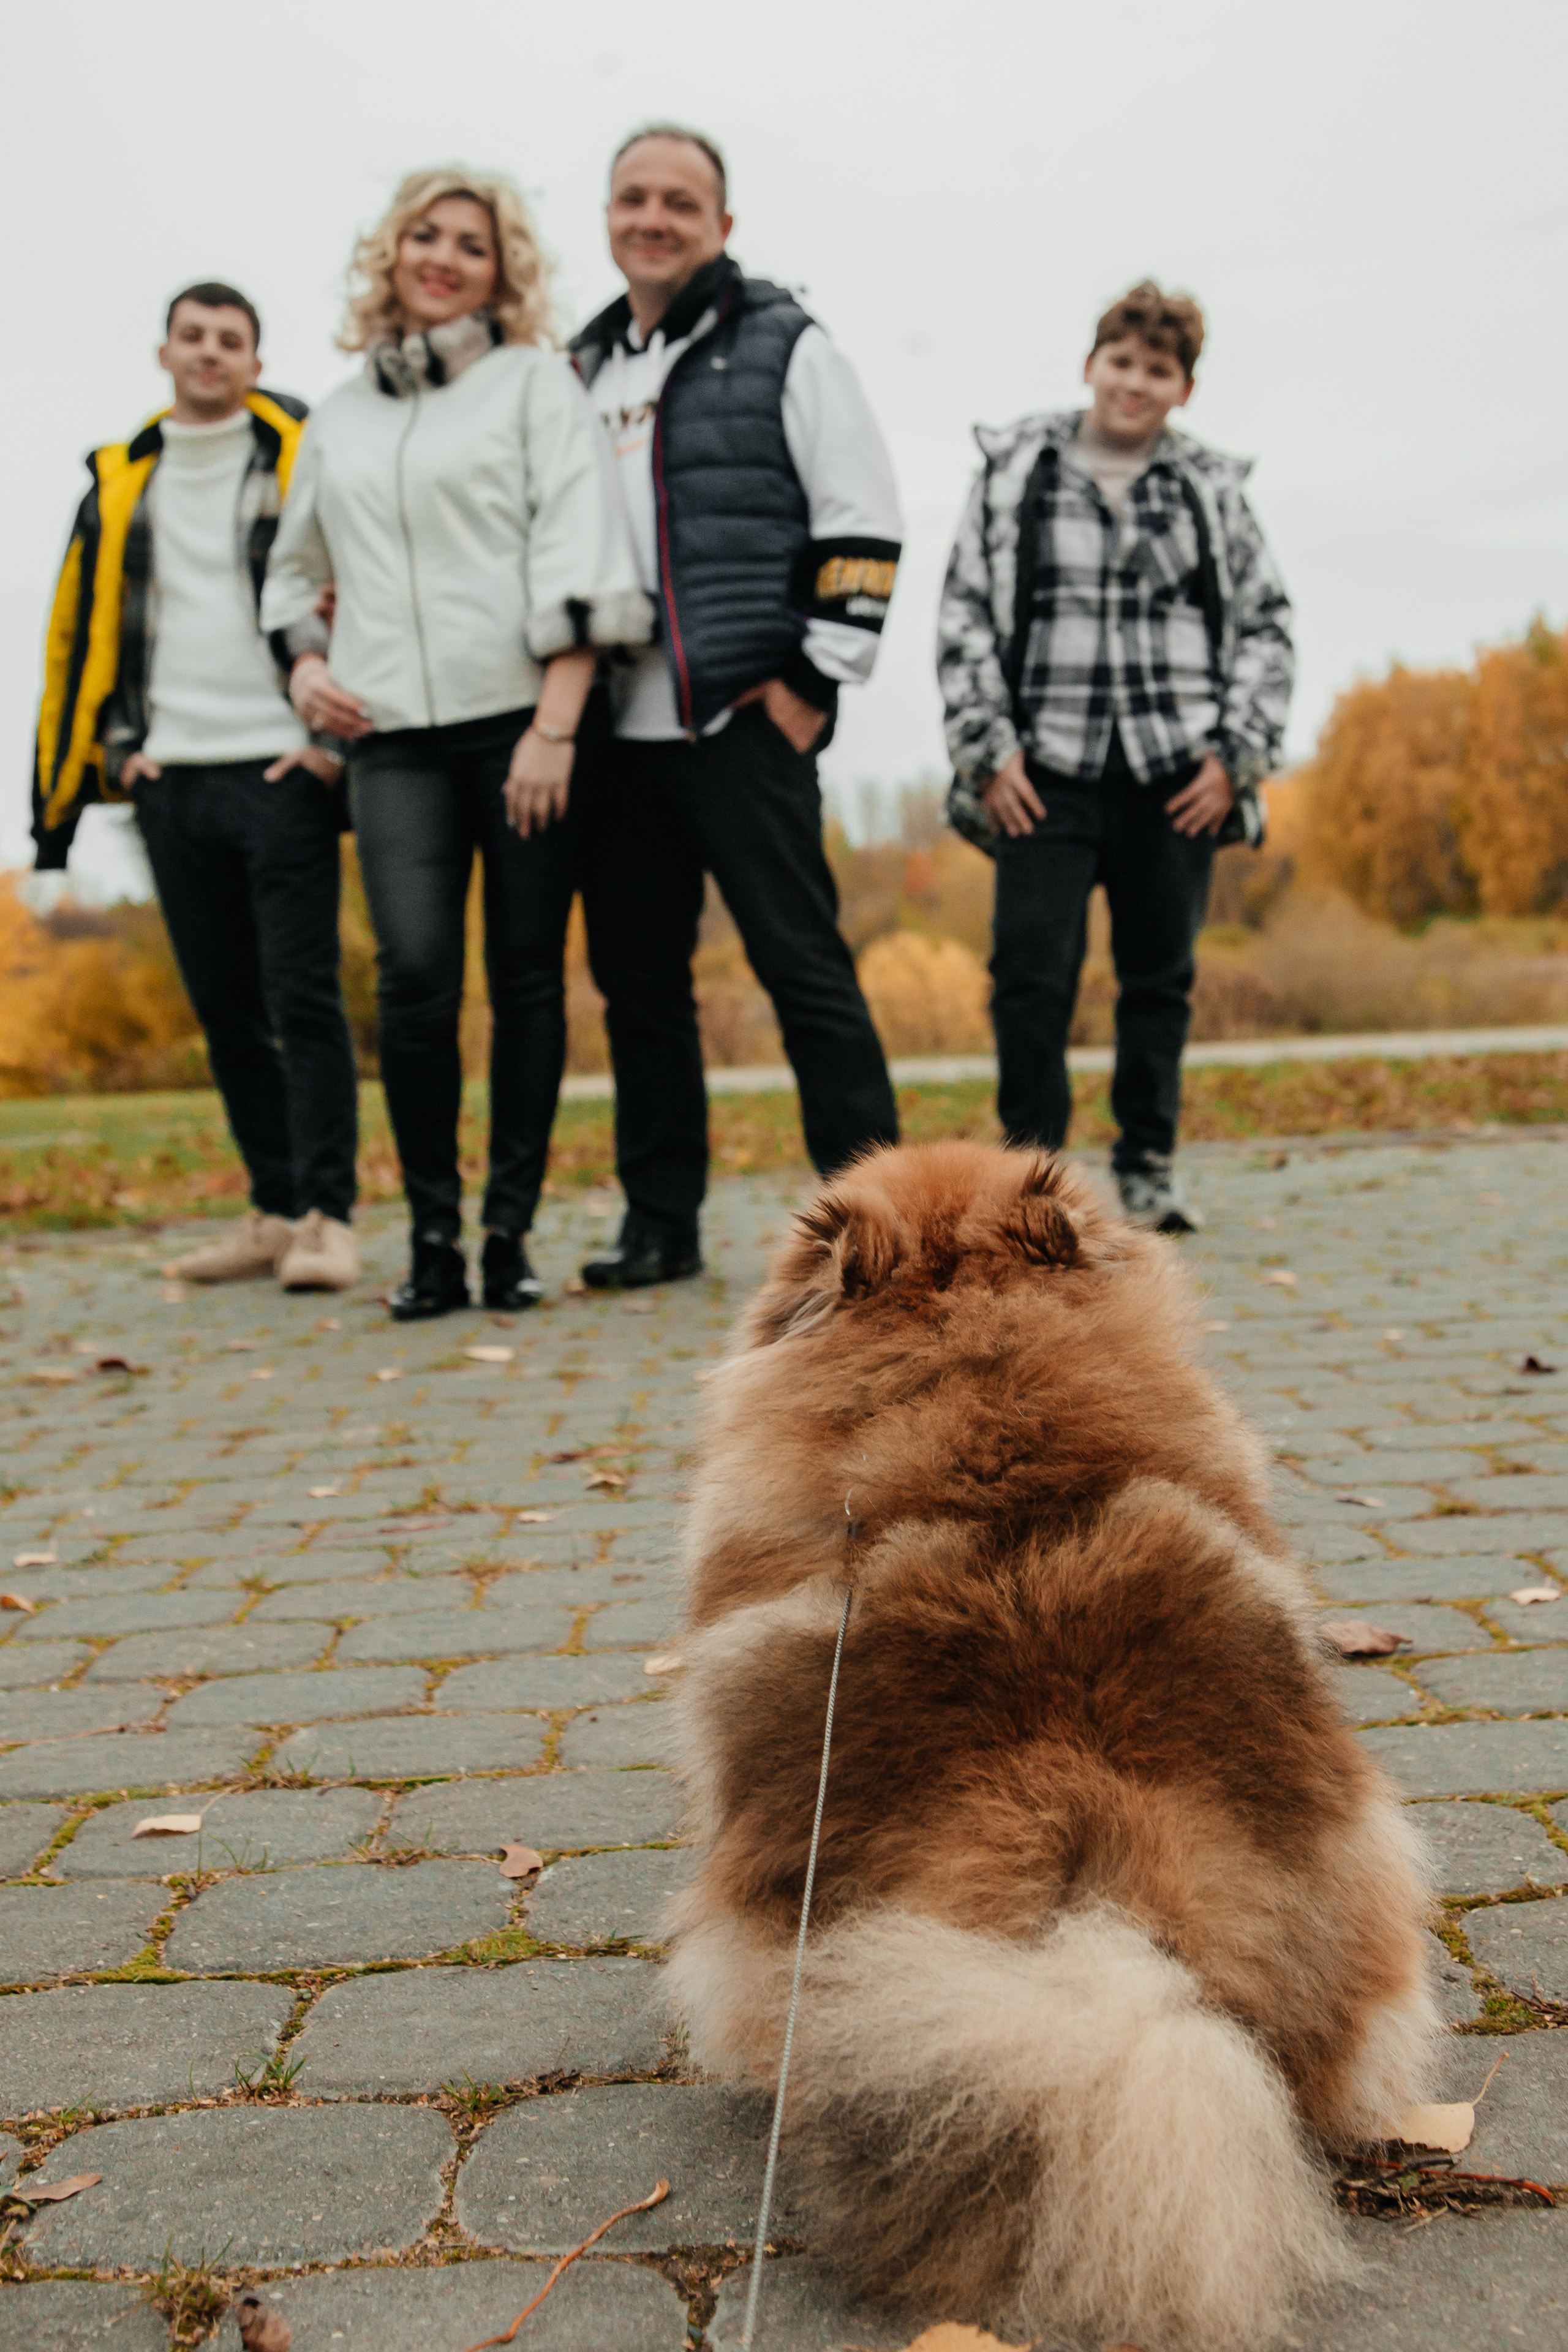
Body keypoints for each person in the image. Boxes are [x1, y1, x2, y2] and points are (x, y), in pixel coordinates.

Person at [262, 169, 649, 1321]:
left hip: (523, 727)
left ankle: (506, 1237)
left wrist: (555, 725)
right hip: (392, 741)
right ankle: (432, 1241)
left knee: (526, 978)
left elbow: (582, 553)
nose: (442, 257)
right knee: (416, 976)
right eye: (424, 236)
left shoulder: (535, 384)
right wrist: (306, 668)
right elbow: (291, 573)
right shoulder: (340, 415)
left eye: (471, 245)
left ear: (501, 271)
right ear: (391, 254)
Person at [570, 125, 905, 1289]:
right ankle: (659, 1225)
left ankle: (881, 1234)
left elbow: (863, 515)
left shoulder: (784, 345)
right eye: (633, 198)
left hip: (743, 722)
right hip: (616, 735)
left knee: (803, 971)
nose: (653, 218)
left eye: (680, 201)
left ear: (721, 224)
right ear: (608, 217)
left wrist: (815, 680)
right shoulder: (579, 369)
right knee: (639, 989)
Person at [940, 280, 1294, 1233]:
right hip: (1040, 772)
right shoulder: (1016, 472)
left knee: (1159, 979)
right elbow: (963, 611)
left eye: (1159, 370)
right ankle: (1032, 1182)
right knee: (1030, 977)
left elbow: (1267, 623)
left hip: (1176, 775)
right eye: (1122, 362)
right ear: (1090, 365)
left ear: (1185, 389)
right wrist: (987, 752)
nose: (1135, 383)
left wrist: (1235, 759)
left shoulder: (1210, 491)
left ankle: (1147, 1165)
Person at [32, 284, 361, 1292]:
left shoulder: (306, 460)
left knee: (303, 1000)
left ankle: (328, 1220)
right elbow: (81, 632)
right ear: (164, 352)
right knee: (225, 1010)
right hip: (169, 777)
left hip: (281, 767)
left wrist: (328, 748)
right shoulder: (121, 484)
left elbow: (361, 594)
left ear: (256, 363)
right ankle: (273, 1213)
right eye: (193, 336)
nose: (210, 352)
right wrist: (115, 753)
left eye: (230, 340)